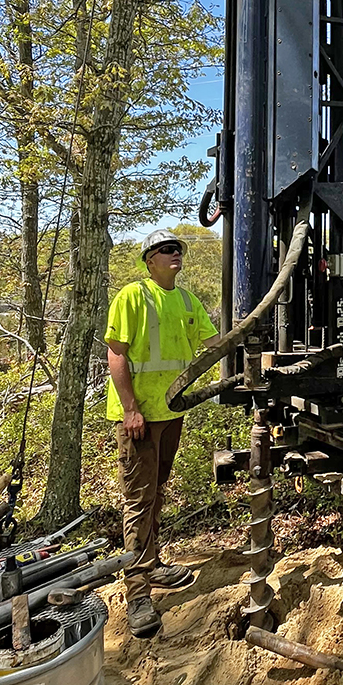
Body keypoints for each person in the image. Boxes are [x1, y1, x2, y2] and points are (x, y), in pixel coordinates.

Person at [105, 229, 219, 638]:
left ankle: (151, 565)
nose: (175, 254)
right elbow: (116, 353)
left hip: (172, 413)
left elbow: (213, 342)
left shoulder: (187, 301)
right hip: (139, 418)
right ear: (149, 260)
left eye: (178, 249)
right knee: (138, 499)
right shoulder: (133, 296)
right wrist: (131, 408)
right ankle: (137, 594)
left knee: (156, 492)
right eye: (166, 250)